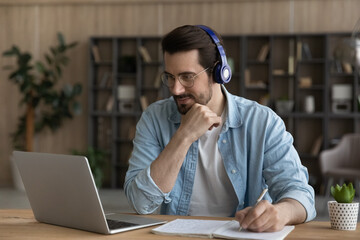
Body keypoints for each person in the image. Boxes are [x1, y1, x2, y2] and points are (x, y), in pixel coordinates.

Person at [124, 25, 316, 232]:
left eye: (187, 77)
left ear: (219, 72)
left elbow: (300, 194)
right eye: (170, 76)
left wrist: (282, 213)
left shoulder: (263, 122)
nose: (175, 89)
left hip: (242, 235)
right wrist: (184, 136)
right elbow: (141, 203)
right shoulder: (154, 118)